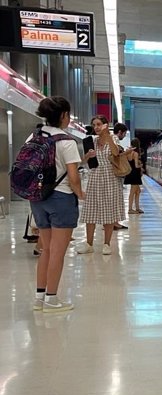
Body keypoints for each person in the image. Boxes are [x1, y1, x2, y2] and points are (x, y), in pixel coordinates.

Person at [29, 96, 85, 312]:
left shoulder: (34, 136)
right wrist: (81, 194)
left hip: (38, 199)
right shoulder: (66, 141)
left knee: (46, 250)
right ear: (63, 115)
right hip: (60, 199)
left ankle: (39, 298)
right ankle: (52, 299)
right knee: (57, 252)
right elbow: (73, 176)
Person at [75, 115, 126, 255]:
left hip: (110, 178)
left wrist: (108, 136)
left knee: (108, 212)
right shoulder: (91, 141)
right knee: (90, 210)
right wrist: (87, 156)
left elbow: (116, 153)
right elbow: (82, 162)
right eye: (94, 125)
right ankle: (89, 243)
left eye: (99, 124)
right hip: (95, 176)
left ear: (105, 125)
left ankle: (107, 244)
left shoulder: (113, 139)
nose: (96, 127)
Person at [113, 123, 130, 230]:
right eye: (124, 134)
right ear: (120, 132)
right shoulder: (114, 139)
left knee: (114, 198)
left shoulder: (112, 139)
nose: (123, 136)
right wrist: (127, 152)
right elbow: (115, 155)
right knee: (115, 198)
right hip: (114, 173)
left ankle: (113, 222)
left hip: (113, 173)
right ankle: (114, 223)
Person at [124, 138, 144, 214]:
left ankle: (137, 208)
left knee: (138, 191)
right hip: (135, 174)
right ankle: (130, 209)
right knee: (132, 192)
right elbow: (136, 165)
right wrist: (140, 165)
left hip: (130, 173)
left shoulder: (128, 152)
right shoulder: (135, 153)